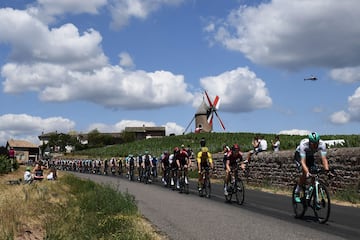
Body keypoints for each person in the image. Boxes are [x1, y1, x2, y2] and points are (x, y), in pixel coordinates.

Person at [293, 132, 332, 203]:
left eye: (316, 143)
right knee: (305, 173)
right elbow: (303, 161)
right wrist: (307, 172)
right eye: (313, 143)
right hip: (299, 156)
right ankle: (297, 192)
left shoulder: (322, 144)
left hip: (310, 156)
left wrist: (327, 170)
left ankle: (310, 191)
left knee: (314, 171)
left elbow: (324, 159)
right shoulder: (303, 144)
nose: (315, 145)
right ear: (309, 142)